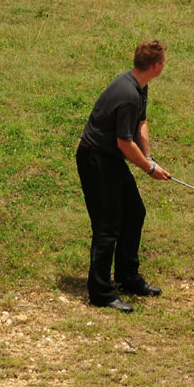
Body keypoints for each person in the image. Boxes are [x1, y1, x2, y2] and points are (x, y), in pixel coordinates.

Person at [76, 40, 171, 313]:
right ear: (156, 66)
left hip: (110, 158)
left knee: (134, 212)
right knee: (107, 227)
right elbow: (124, 143)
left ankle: (128, 278)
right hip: (95, 159)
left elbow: (141, 123)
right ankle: (101, 293)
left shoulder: (140, 87)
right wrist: (150, 170)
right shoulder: (128, 94)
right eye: (163, 62)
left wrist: (149, 156)